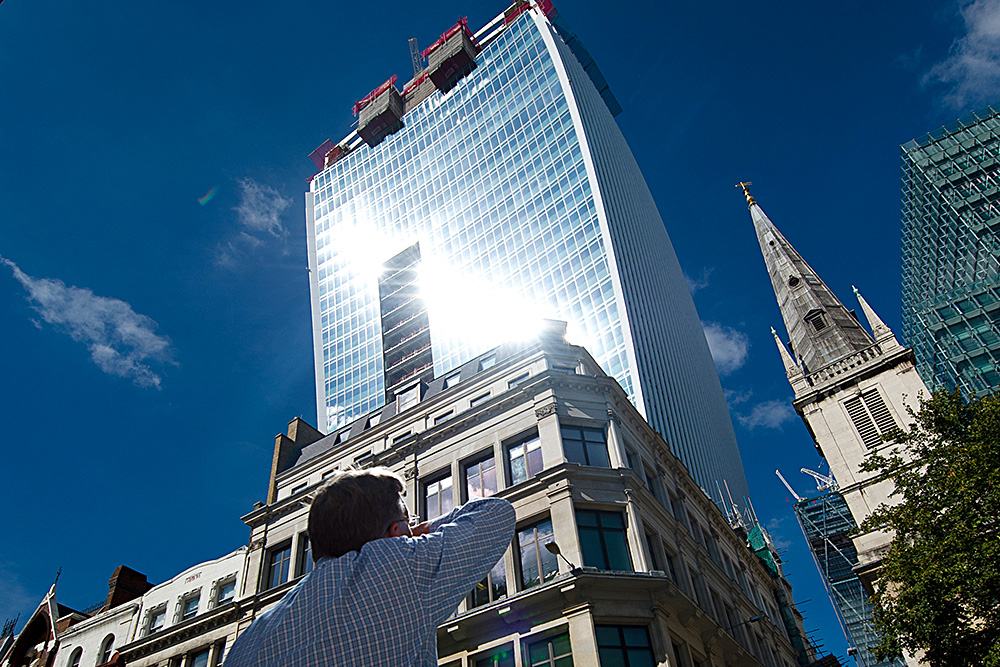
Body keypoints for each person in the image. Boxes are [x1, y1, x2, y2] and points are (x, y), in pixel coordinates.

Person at [224, 467, 516, 667]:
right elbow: (497, 514)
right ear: (393, 532)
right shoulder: (397, 567)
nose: (412, 527)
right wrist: (411, 534)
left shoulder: (252, 635)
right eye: (407, 520)